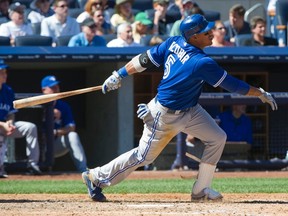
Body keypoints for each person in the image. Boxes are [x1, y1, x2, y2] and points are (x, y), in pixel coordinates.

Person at [81, 14, 277, 202]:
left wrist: (120, 74)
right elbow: (233, 85)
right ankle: (95, 177)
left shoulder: (174, 42)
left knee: (217, 137)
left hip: (190, 110)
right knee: (144, 157)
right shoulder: (201, 62)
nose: (211, 34)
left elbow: (144, 60)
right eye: (205, 32)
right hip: (165, 115)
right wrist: (259, 92)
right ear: (193, 37)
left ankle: (201, 190)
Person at [0, 60, 41, 178]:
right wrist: (3, 125)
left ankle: (32, 165)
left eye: (5, 72)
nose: (5, 75)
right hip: (1, 126)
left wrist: (10, 122)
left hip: (5, 126)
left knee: (30, 127)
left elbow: (11, 113)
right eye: (2, 72)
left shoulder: (7, 90)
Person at [41, 75, 88, 172]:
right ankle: (34, 171)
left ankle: (84, 171)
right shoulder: (37, 105)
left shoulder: (63, 106)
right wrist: (48, 114)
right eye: (52, 87)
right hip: (40, 145)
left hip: (55, 144)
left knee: (73, 135)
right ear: (44, 90)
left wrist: (55, 132)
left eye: (56, 86)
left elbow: (71, 127)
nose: (56, 89)